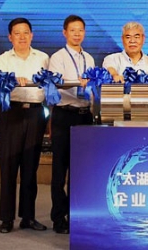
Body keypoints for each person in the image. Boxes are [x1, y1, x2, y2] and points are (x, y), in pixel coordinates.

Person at [0, 18, 49, 233]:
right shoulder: (2, 60)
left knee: (30, 168)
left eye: (26, 33)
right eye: (17, 33)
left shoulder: (43, 58)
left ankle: (28, 217)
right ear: (10, 37)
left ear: (32, 35)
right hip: (10, 113)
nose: (22, 37)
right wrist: (13, 80)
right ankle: (6, 219)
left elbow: (50, 84)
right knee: (8, 167)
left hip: (35, 114)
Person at [49, 15, 95, 234]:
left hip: (85, 116)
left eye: (81, 30)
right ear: (64, 32)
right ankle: (59, 217)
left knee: (81, 169)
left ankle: (77, 214)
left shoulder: (89, 58)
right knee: (60, 169)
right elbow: (56, 84)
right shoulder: (57, 57)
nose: (77, 34)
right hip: (64, 115)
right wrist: (78, 83)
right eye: (73, 30)